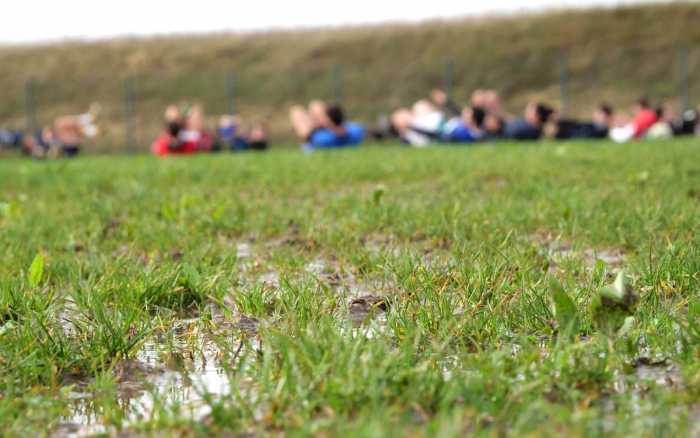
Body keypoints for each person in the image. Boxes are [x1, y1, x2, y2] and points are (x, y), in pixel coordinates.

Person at [389, 90, 482, 147]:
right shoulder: (461, 124)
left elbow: (438, 136)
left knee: (420, 106)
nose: (464, 113)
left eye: (467, 113)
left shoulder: (467, 133)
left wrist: (412, 127)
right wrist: (446, 102)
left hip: (428, 135)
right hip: (425, 130)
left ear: (472, 120)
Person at [289, 101, 365, 151]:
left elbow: (306, 141)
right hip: (332, 128)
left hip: (312, 140)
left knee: (297, 112)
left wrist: (324, 125)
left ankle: (319, 117)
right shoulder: (355, 130)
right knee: (314, 105)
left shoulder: (323, 138)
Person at [547, 103, 614, 140]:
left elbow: (580, 135)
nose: (595, 115)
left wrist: (559, 133)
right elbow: (576, 124)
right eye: (596, 113)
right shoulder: (591, 125)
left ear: (607, 117)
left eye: (599, 114)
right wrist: (560, 121)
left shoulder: (602, 130)